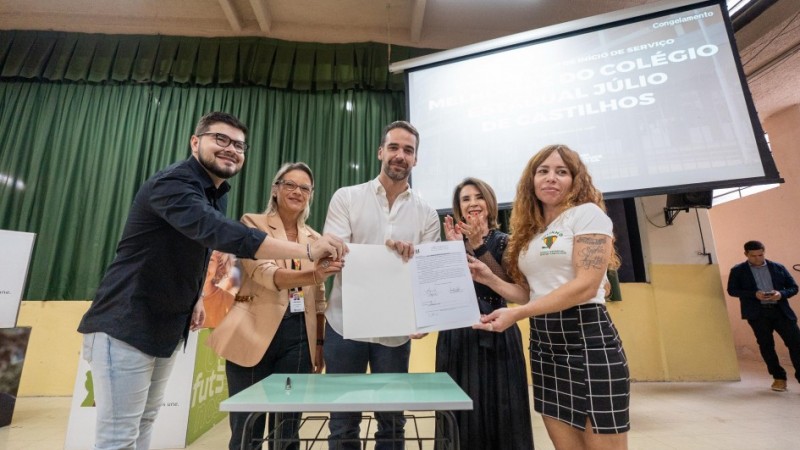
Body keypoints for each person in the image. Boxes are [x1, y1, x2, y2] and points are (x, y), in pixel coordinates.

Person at [77, 112, 347, 450]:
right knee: (119, 436)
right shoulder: (174, 183)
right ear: (195, 141)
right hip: (127, 321)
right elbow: (224, 236)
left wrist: (198, 300)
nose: (231, 149)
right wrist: (309, 253)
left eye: (238, 144)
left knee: (145, 422)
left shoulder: (216, 194)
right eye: (221, 139)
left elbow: (203, 252)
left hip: (171, 325)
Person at [471, 144, 630, 450]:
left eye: (562, 172)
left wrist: (518, 314)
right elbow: (529, 294)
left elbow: (585, 286)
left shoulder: (587, 215)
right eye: (543, 171)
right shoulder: (530, 234)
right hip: (544, 345)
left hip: (588, 339)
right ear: (531, 181)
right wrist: (489, 278)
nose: (551, 178)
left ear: (575, 180)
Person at [207, 162, 344, 450]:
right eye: (290, 185)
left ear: (311, 195)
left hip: (297, 341)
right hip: (252, 336)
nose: (297, 191)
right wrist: (314, 273)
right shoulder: (252, 224)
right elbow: (264, 274)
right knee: (248, 429)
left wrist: (318, 343)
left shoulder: (315, 239)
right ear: (275, 189)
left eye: (304, 188)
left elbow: (319, 299)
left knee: (288, 427)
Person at [322, 120, 441, 450]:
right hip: (344, 326)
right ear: (380, 152)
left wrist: (423, 315)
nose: (400, 155)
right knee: (343, 423)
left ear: (416, 159)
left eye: (408, 150)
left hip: (394, 332)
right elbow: (335, 254)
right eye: (394, 147)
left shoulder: (428, 215)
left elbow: (427, 276)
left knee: (392, 423)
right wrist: (389, 256)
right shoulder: (346, 198)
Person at [437, 177, 534, 449]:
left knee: (501, 412)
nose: (472, 203)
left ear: (489, 204)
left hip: (498, 334)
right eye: (465, 199)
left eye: (478, 197)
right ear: (458, 209)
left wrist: (479, 246)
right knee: (457, 416)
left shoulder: (506, 242)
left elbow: (516, 290)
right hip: (456, 338)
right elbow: (442, 292)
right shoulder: (450, 244)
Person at [726, 240, 800, 392]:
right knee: (766, 346)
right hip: (757, 314)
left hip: (781, 312)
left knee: (796, 344)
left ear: (764, 252)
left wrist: (781, 294)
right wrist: (754, 294)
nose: (758, 259)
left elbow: (793, 288)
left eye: (761, 255)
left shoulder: (778, 267)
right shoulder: (738, 270)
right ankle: (779, 378)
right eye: (753, 256)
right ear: (746, 254)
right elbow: (732, 290)